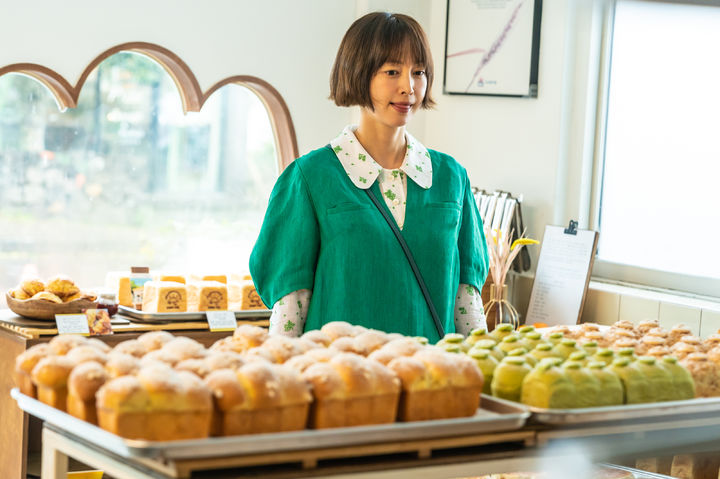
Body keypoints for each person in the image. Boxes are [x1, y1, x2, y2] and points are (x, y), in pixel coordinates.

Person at [249, 11, 488, 343]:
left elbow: (467, 302)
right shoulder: (309, 178)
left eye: (418, 72)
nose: (409, 86)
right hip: (340, 381)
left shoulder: (451, 178)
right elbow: (291, 308)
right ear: (357, 73)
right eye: (392, 71)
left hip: (433, 383)